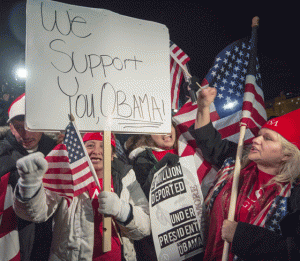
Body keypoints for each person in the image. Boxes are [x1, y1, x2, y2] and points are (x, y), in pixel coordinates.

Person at [189, 86, 300, 261]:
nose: (256, 139)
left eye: (267, 138)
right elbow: (208, 140)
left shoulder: (294, 196)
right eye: (259, 134)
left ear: (286, 154)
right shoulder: (238, 160)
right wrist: (203, 106)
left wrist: (241, 236)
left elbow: (293, 251)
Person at [13, 131, 151, 260]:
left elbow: (144, 228)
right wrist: (29, 185)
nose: (96, 151)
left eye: (103, 145)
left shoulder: (126, 177)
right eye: (90, 145)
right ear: (80, 150)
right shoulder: (66, 175)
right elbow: (37, 213)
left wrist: (121, 210)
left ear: (112, 153)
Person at [126, 122, 204, 261]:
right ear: (148, 134)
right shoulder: (143, 158)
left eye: (169, 126)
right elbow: (143, 197)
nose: (166, 132)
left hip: (194, 233)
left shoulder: (188, 150)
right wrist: (157, 170)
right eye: (158, 129)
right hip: (165, 239)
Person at [0, 93, 57, 260]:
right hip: (11, 238)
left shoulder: (56, 153)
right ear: (10, 127)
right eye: (18, 127)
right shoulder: (2, 156)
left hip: (49, 238)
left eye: (31, 127)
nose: (25, 134)